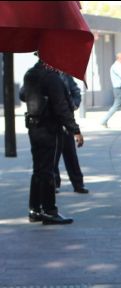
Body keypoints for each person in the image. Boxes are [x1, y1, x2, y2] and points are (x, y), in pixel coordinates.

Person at [20, 60, 84, 225]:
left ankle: (34, 209)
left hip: (34, 127)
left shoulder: (31, 74)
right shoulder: (51, 77)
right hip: (50, 129)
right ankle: (49, 210)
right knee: (47, 170)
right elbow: (61, 107)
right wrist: (75, 129)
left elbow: (22, 94)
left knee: (38, 169)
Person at [54, 72, 89, 194]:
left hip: (67, 121)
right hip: (52, 123)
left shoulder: (65, 74)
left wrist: (73, 104)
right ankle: (54, 183)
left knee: (71, 155)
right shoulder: (40, 75)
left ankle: (78, 183)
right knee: (53, 156)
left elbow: (76, 91)